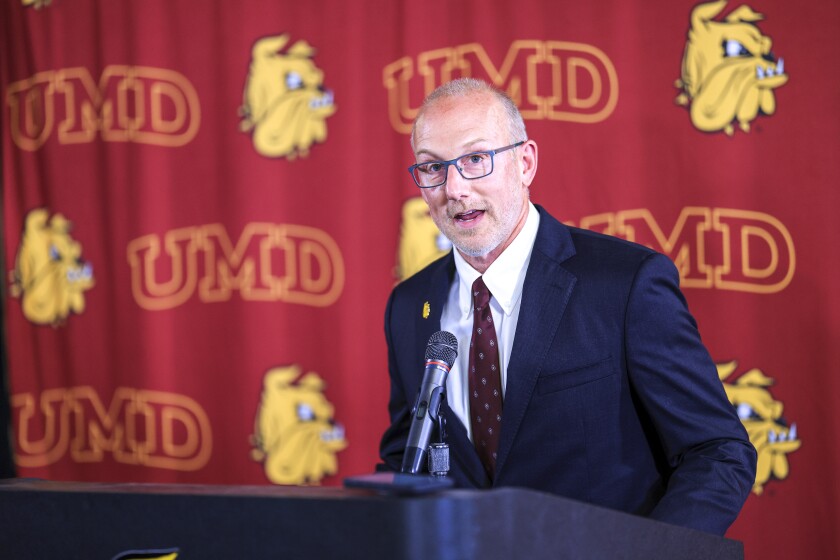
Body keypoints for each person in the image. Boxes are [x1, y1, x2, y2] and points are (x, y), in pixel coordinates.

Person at [378, 78, 756, 536]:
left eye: (476, 159)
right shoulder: (408, 305)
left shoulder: (625, 283)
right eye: (433, 168)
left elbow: (717, 451)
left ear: (525, 163)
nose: (454, 188)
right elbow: (405, 459)